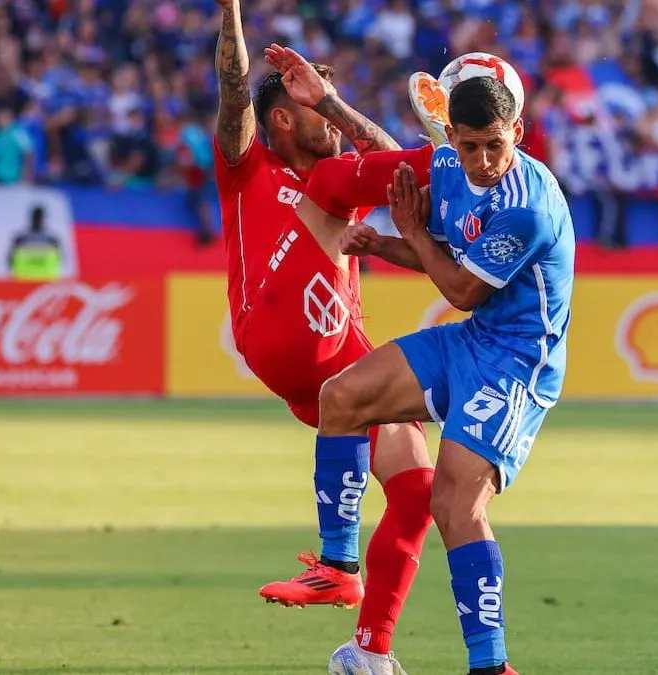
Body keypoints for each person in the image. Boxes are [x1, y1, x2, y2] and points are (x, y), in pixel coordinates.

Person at [308, 73, 576, 675]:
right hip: (472, 344)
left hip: (517, 361)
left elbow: (460, 288)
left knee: (454, 503)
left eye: (495, 146)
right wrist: (385, 245)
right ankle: (338, 567)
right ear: (451, 136)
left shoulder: (528, 208)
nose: (482, 161)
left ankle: (491, 667)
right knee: (342, 397)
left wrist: (406, 234)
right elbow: (444, 254)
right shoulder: (449, 168)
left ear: (519, 134)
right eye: (470, 145)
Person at [212, 1, 435, 671]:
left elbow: (397, 167)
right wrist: (231, 11)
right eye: (311, 106)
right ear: (281, 117)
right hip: (275, 330)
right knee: (343, 182)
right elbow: (231, 92)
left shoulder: (338, 182)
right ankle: (338, 560)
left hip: (341, 355)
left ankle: (369, 649)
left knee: (418, 491)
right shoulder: (249, 166)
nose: (328, 120)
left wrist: (331, 103)